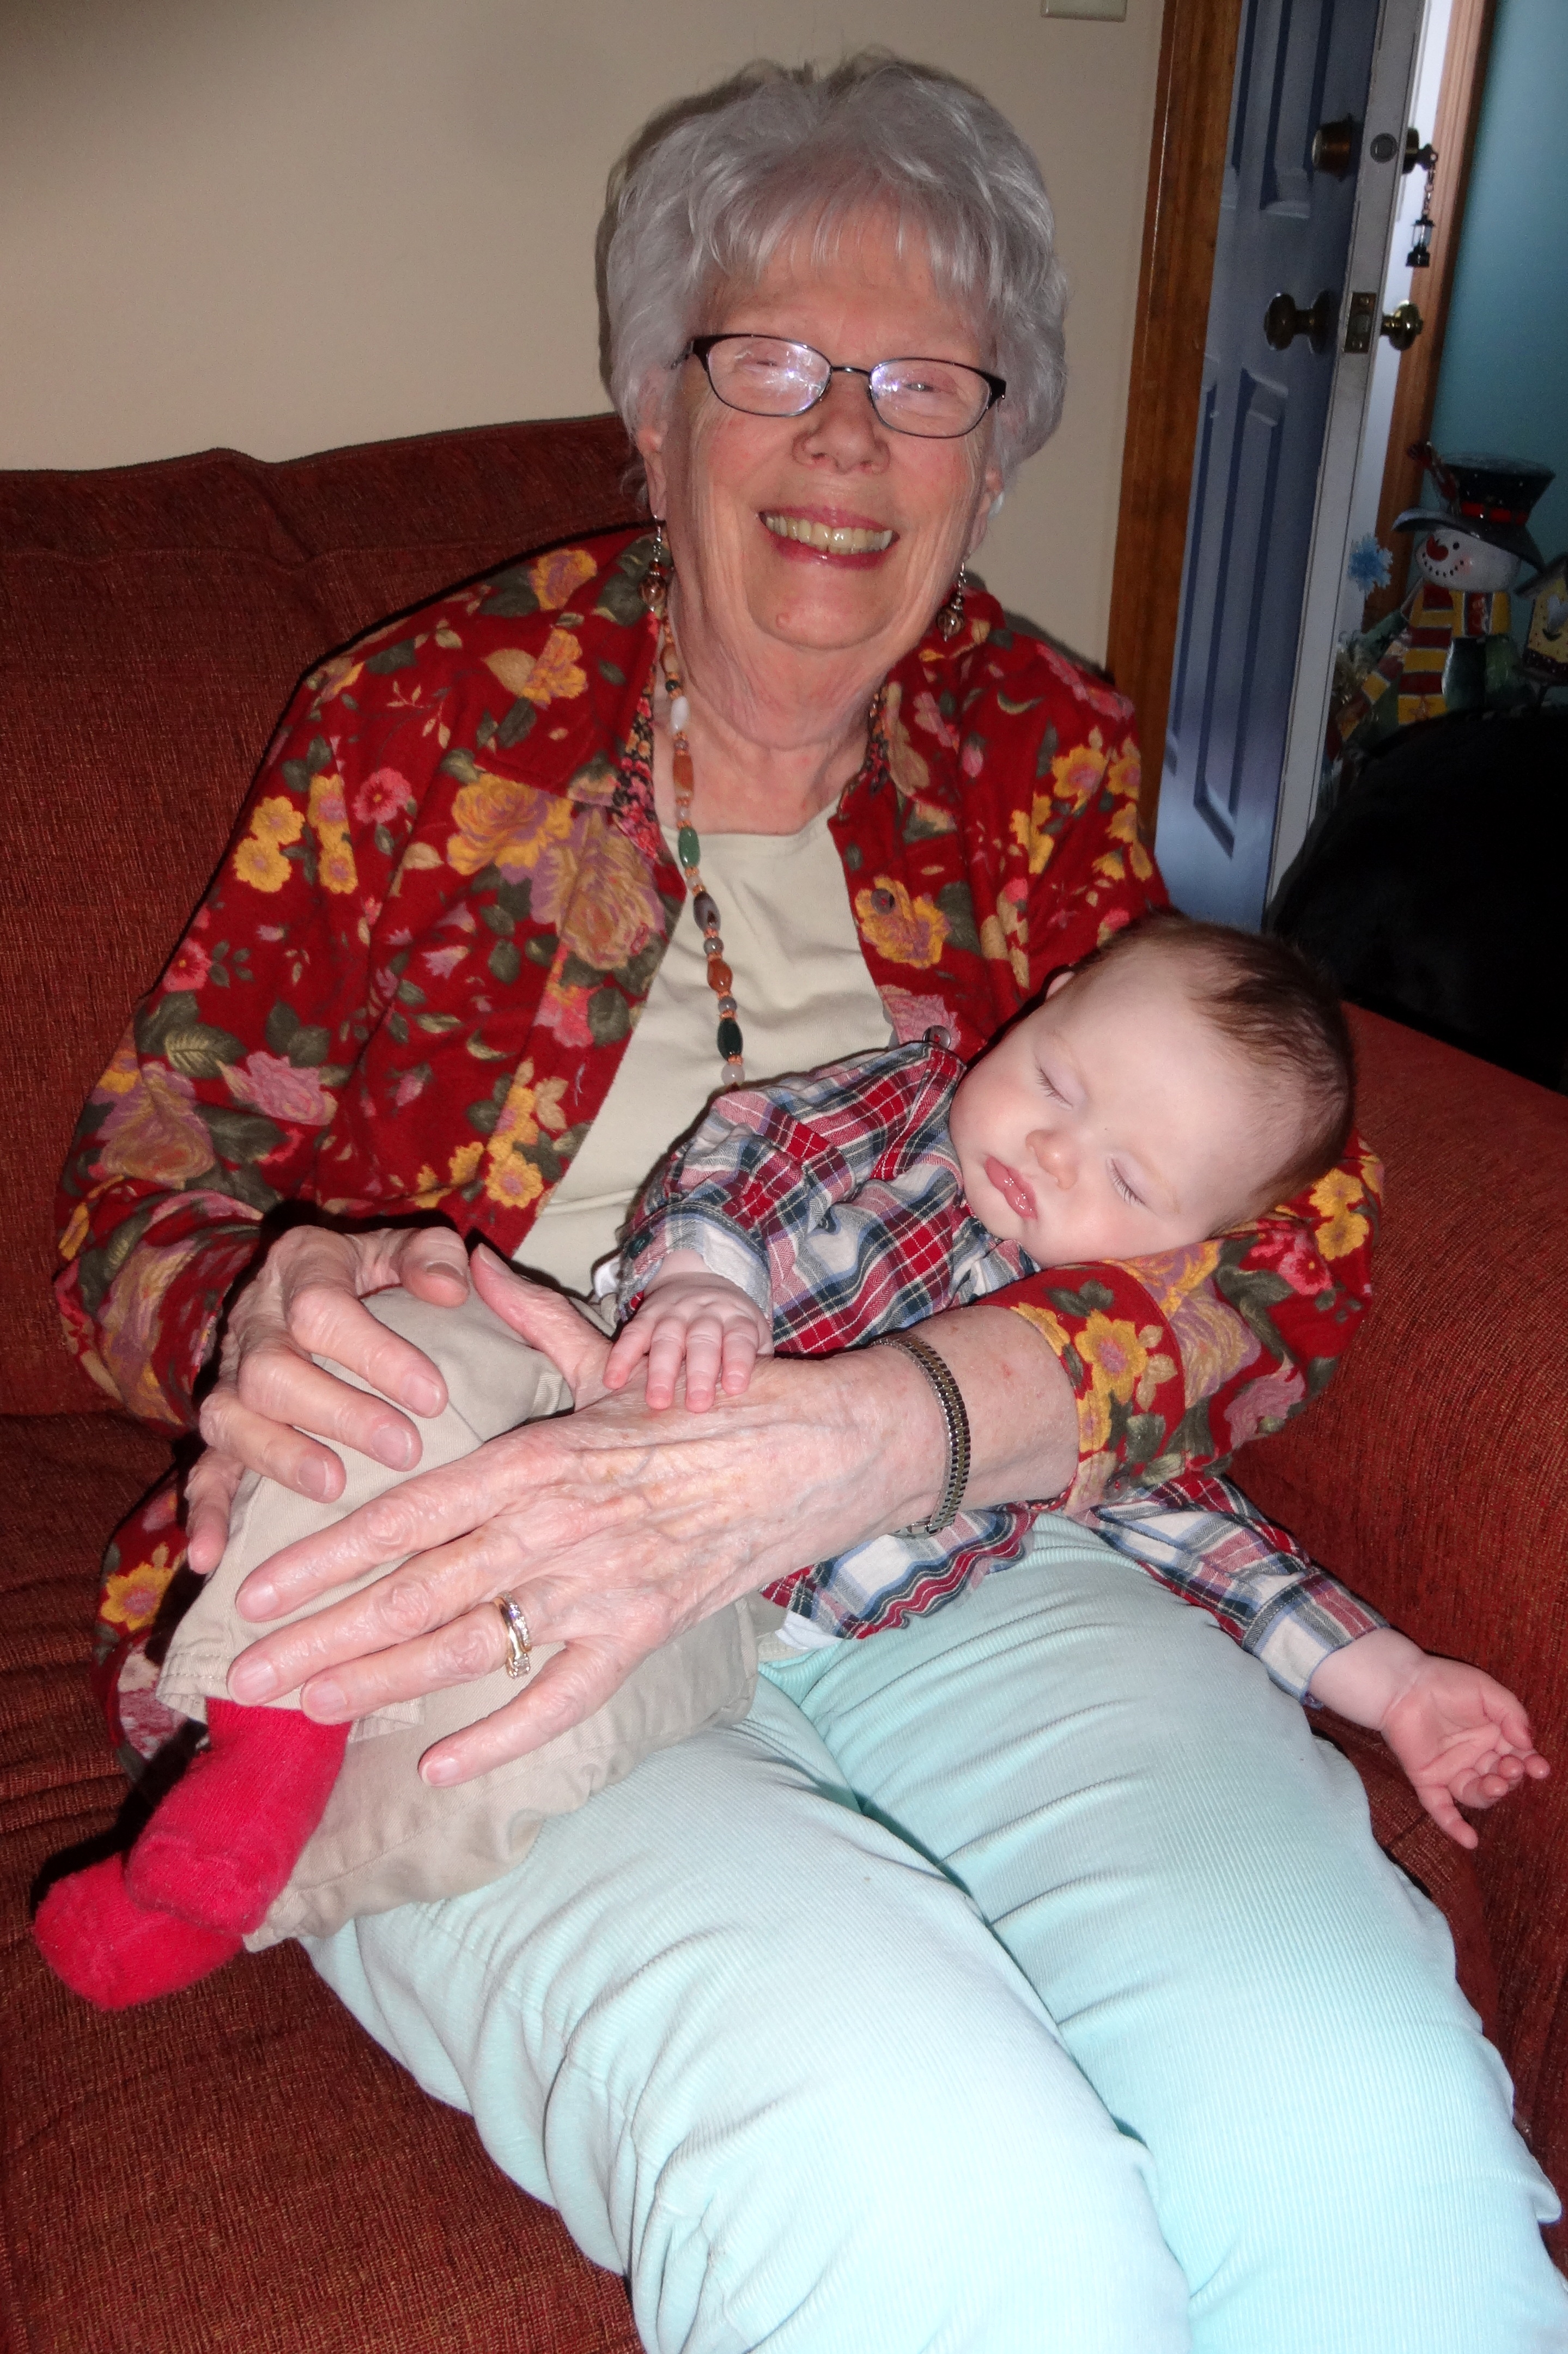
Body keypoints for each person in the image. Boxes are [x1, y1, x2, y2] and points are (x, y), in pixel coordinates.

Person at [48, 56, 1566, 2353]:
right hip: (504, 1537)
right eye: (772, 363)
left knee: (1358, 2132)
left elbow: (1287, 1228)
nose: (847, 440)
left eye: (926, 384)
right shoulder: (415, 725)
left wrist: (908, 1422)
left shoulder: (1044, 752)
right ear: (653, 411)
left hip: (973, 1541)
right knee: (928, 2199)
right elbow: (135, 1192)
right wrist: (262, 1308)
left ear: (994, 451)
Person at [40, 912, 1548, 2006]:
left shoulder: (1091, 1351)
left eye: (1127, 1176)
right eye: (1060, 1082)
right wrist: (706, 1280)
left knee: (537, 1749)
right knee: (404, 1361)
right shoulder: (901, 1102)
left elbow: (1211, 1538)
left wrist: (1394, 1680)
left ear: (1188, 1246)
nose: (1052, 1151)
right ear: (1051, 999)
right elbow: (747, 1143)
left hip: (730, 1609)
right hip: (594, 1352)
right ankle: (252, 1730)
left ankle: (231, 1888)